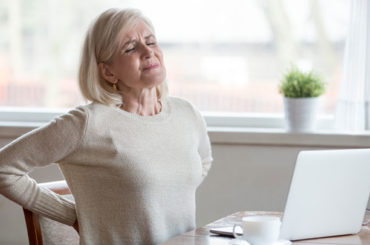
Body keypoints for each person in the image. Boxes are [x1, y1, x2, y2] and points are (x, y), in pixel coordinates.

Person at [0, 8, 213, 245]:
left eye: (151, 41)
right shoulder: (88, 124)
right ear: (108, 71)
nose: (148, 51)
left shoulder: (187, 114)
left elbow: (203, 161)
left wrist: (166, 187)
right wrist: (71, 215)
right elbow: (3, 169)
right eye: (131, 48)